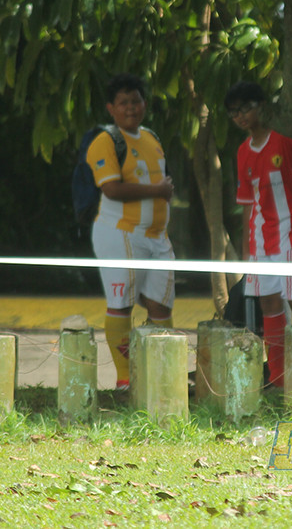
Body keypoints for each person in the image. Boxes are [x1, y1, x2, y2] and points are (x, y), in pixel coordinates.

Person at [225, 81, 292, 389]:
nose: (241, 117)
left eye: (246, 108)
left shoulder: (285, 140)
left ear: (262, 107)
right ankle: (279, 379)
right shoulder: (243, 152)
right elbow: (246, 203)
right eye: (234, 112)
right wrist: (247, 248)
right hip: (260, 239)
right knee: (269, 306)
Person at [88, 73, 175, 391]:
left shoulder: (152, 137)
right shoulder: (105, 141)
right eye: (123, 102)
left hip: (157, 237)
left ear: (145, 104)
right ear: (111, 108)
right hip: (120, 233)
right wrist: (157, 191)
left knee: (160, 306)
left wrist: (163, 193)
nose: (130, 108)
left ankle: (161, 378)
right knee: (120, 303)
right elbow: (111, 189)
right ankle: (125, 379)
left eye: (135, 101)